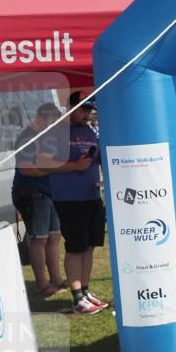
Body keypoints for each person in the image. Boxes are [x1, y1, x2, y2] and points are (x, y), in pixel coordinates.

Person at [11, 103, 88, 296]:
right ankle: (42, 283)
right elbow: (27, 169)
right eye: (52, 123)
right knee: (39, 239)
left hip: (48, 192)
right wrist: (61, 169)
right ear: (42, 119)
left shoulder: (44, 137)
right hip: (31, 193)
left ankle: (56, 279)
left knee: (54, 236)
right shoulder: (27, 138)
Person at [50, 92, 109, 315]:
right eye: (83, 109)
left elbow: (97, 157)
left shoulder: (89, 130)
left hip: (92, 195)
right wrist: (74, 166)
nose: (87, 114)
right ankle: (76, 297)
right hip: (69, 198)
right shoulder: (56, 132)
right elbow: (45, 164)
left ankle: (85, 290)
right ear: (70, 107)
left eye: (90, 110)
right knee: (75, 247)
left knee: (90, 246)